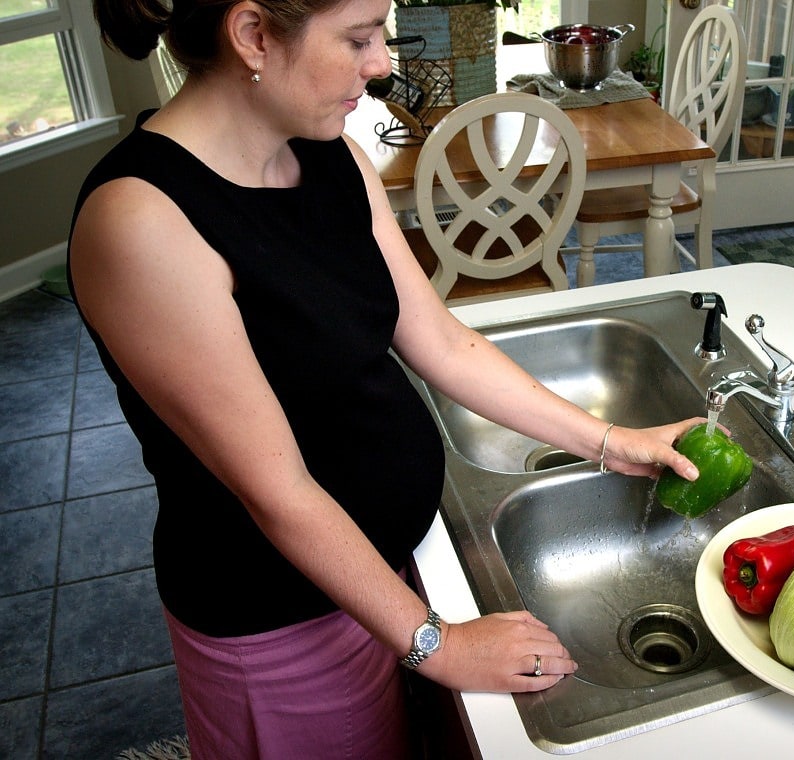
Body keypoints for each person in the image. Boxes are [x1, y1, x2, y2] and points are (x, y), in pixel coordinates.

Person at [69, 0, 704, 757]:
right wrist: (439, 644)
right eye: (360, 38)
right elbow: (279, 492)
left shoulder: (329, 155)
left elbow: (440, 340)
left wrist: (610, 440)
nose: (381, 65)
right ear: (253, 35)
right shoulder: (143, 221)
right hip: (280, 624)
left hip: (380, 582)